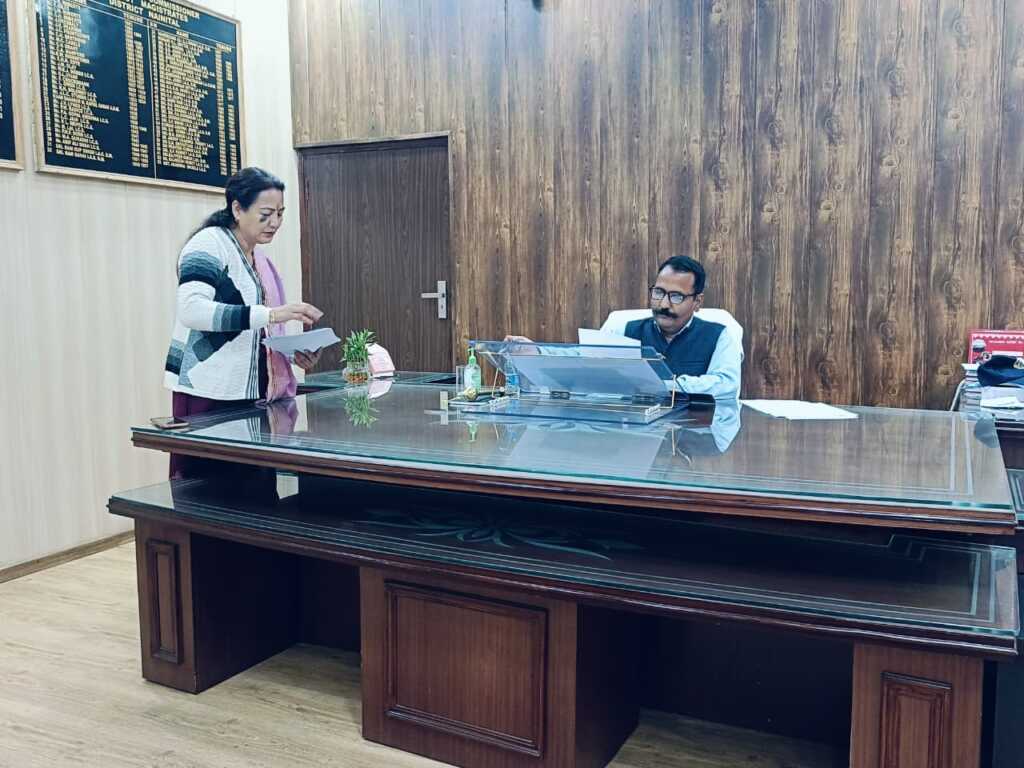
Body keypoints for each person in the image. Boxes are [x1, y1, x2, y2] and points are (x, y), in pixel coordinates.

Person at [164, 167, 324, 478]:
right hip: (209, 390)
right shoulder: (208, 244)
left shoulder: (259, 259)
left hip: (252, 392)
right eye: (266, 214)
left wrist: (293, 353)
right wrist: (273, 313)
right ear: (237, 209)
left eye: (280, 213)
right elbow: (192, 310)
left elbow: (257, 332)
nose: (275, 223)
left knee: (254, 487)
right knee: (210, 488)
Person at [505, 255, 742, 399]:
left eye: (676, 296)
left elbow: (726, 385)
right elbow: (585, 357)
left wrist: (662, 385)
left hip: (692, 438)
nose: (663, 304)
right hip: (635, 433)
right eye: (658, 292)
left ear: (697, 302)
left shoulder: (720, 335)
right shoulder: (626, 329)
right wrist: (538, 351)